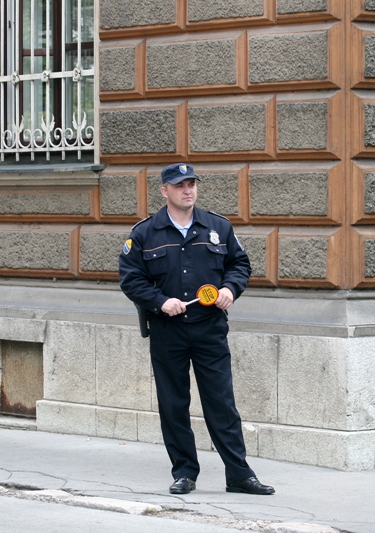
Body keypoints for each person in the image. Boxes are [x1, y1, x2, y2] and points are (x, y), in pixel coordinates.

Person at [118, 163, 275, 496]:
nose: (187, 190)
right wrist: (160, 301)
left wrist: (230, 288)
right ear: (164, 191)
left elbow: (239, 264)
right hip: (168, 330)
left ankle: (239, 474)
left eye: (191, 184)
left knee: (222, 402)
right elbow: (130, 278)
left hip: (209, 328)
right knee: (173, 404)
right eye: (179, 185)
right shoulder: (145, 233)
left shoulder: (218, 227)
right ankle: (185, 472)